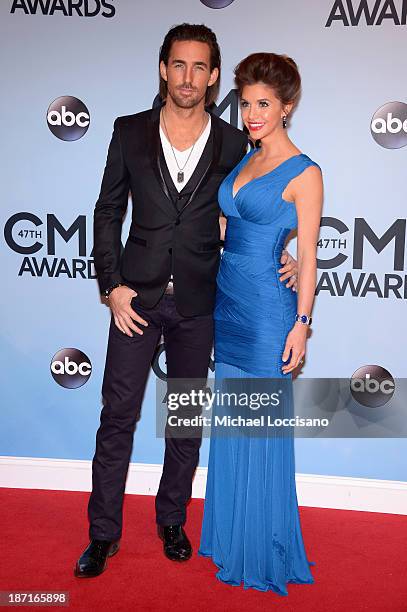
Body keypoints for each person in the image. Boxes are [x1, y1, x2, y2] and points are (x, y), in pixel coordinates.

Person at [74, 25, 298, 578]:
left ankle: (171, 519)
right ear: (162, 69)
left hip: (201, 302)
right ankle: (103, 534)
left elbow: (254, 211)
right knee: (117, 417)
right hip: (136, 300)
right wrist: (111, 286)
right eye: (179, 65)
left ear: (214, 76)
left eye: (200, 68)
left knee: (185, 418)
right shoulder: (128, 132)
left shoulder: (232, 142)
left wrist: (282, 255)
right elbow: (106, 212)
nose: (188, 78)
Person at [198, 52, 323, 595]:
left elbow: (311, 256)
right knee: (230, 424)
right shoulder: (242, 162)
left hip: (270, 314)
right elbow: (232, 228)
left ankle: (262, 546)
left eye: (264, 104)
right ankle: (228, 535)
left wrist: (301, 323)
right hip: (227, 305)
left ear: (286, 107)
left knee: (262, 431)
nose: (251, 113)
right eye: (246, 102)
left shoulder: (305, 172)